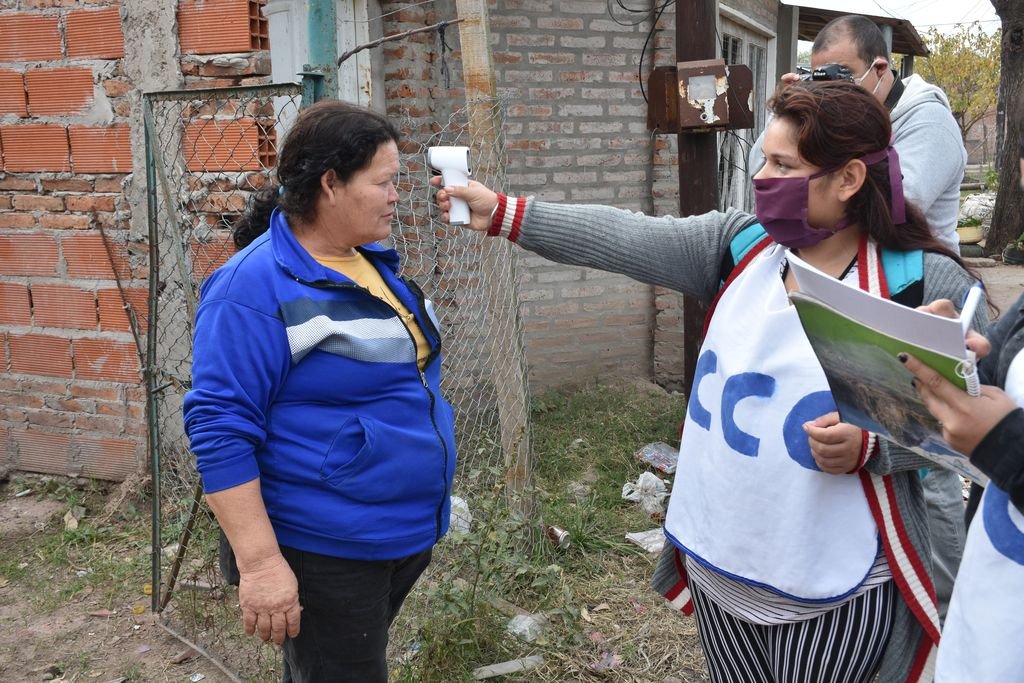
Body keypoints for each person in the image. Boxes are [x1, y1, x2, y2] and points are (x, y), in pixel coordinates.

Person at [435, 80, 986, 682]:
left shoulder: (922, 286)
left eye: (784, 166)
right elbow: (625, 237)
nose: (762, 179)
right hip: (720, 574)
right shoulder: (741, 246)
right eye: (763, 160)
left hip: (835, 592)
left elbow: (983, 432)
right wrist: (503, 213)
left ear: (849, 178)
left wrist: (874, 445)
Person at [182, 100, 457, 683]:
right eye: (383, 182)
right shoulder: (251, 288)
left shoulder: (368, 262)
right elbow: (220, 430)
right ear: (331, 184)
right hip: (327, 545)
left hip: (391, 532)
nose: (396, 196)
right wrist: (261, 565)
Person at [749, 14, 971, 620]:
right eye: (820, 76)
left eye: (842, 77)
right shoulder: (836, 133)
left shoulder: (927, 120)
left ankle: (940, 606)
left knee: (928, 470)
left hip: (909, 299)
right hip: (842, 284)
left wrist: (825, 137)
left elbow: (890, 201)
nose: (832, 88)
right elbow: (789, 177)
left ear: (880, 70)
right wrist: (797, 123)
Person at [900, 291, 1024, 682]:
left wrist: (1004, 443)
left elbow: (998, 434)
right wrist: (945, 361)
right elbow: (985, 388)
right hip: (980, 641)